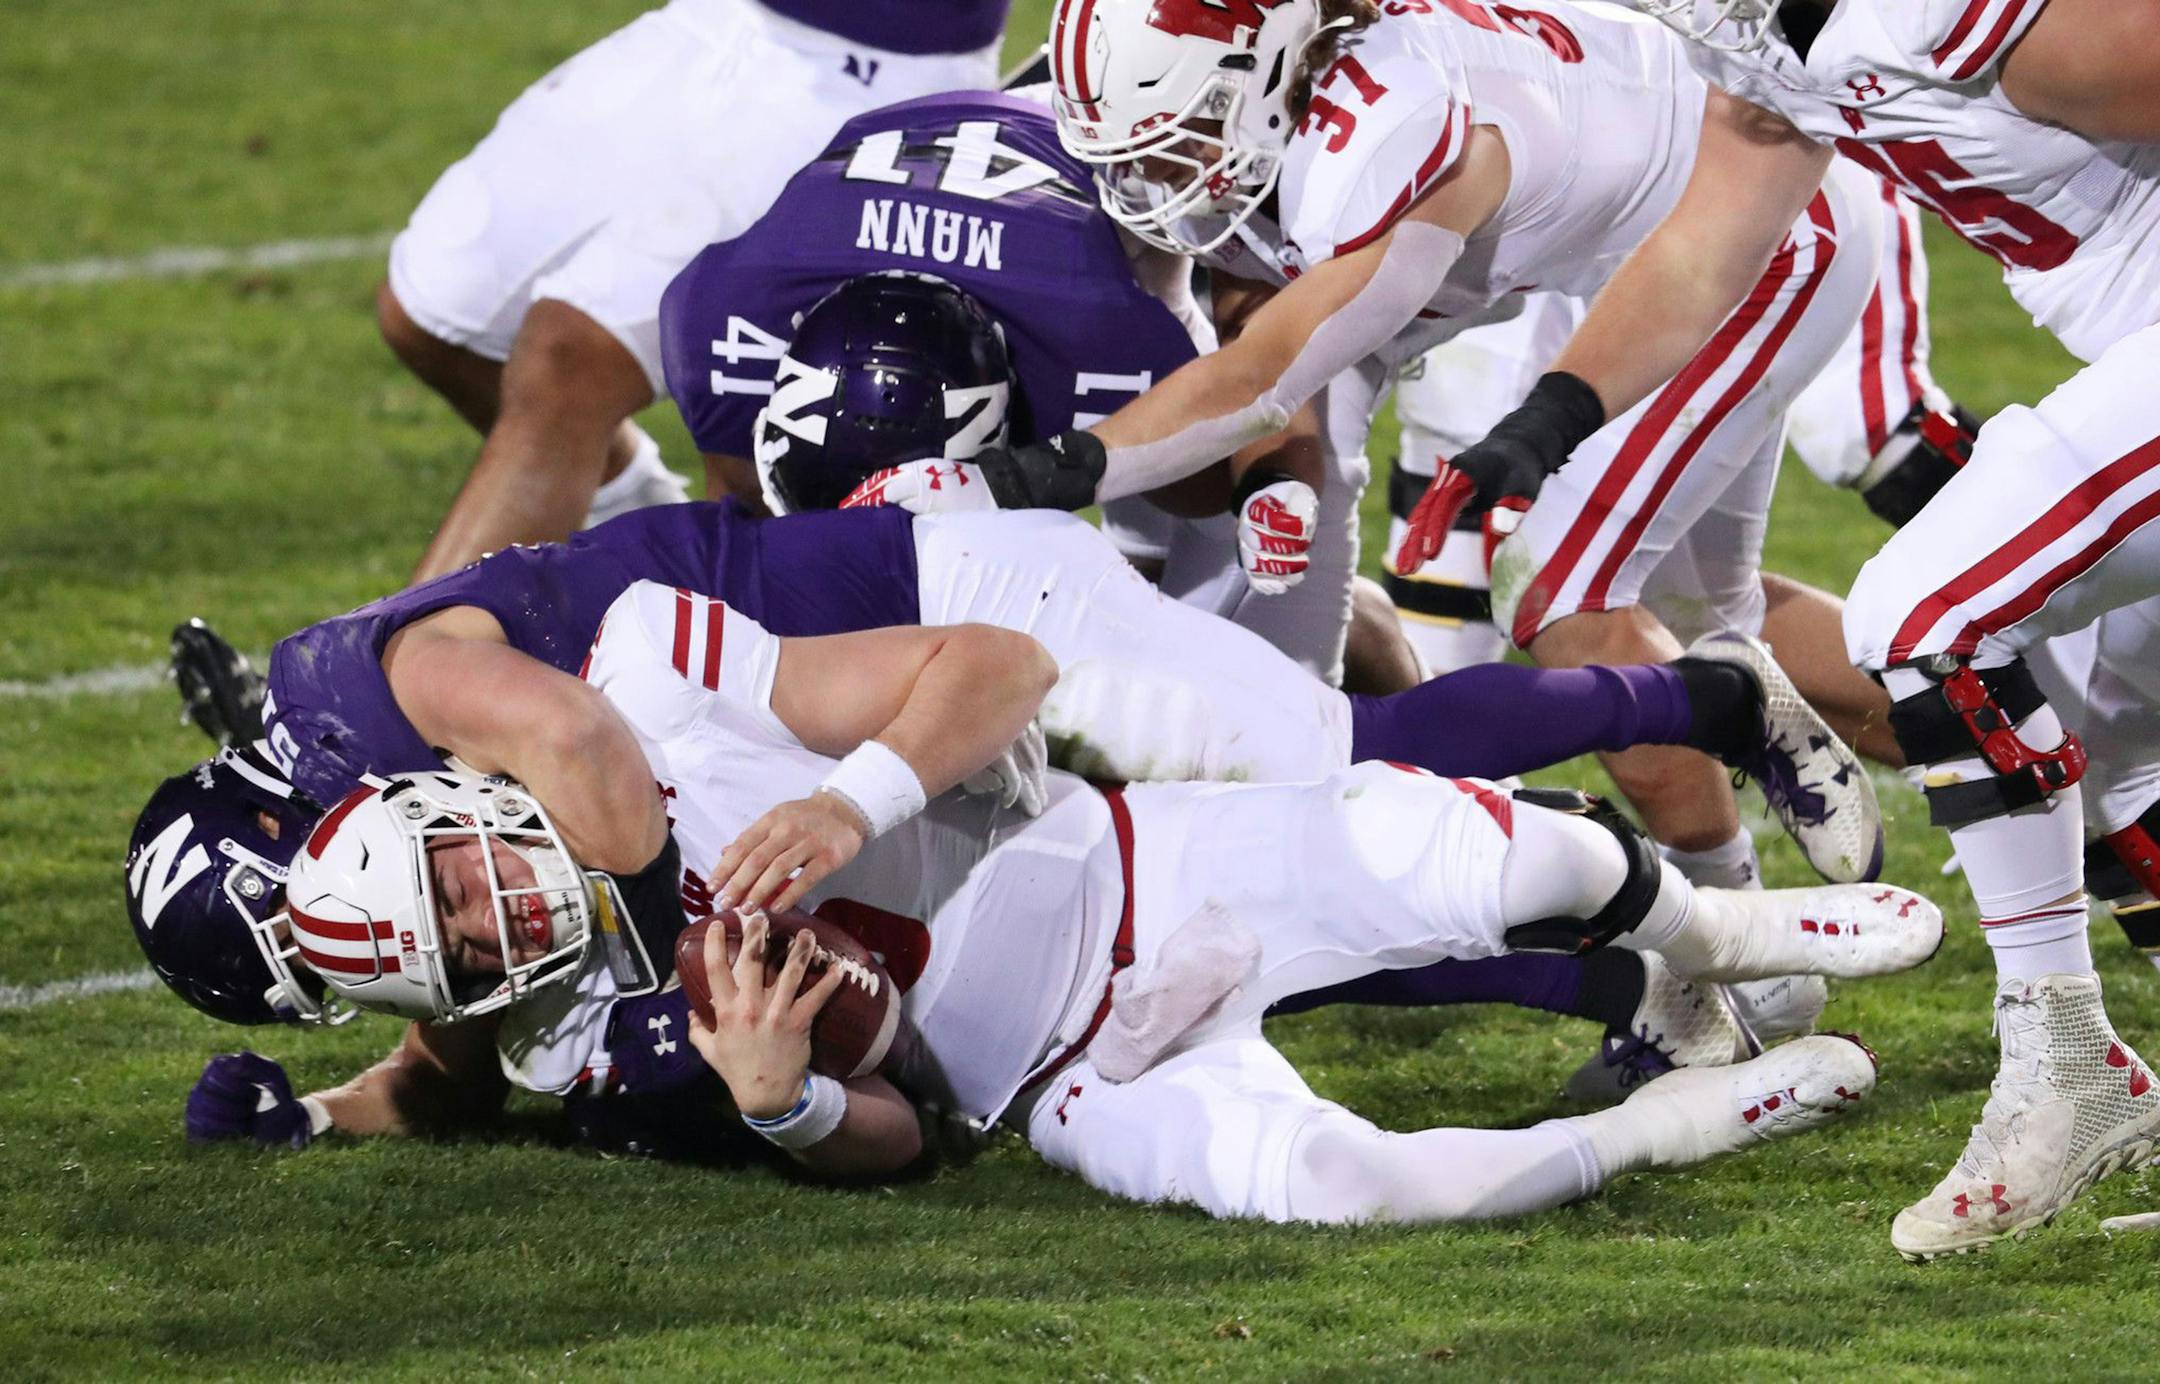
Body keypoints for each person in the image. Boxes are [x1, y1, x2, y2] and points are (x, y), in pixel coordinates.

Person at [192, 581, 1943, 1223]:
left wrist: (848, 790)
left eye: (458, 871)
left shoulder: (653, 666)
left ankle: (1716, 932)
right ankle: (1689, 1115)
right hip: (1070, 1083)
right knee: (1361, 1187)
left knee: (1498, 850)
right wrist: (784, 1099)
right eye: (472, 943)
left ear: (446, 793)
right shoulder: (580, 1042)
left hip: (1134, 855)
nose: (502, 907)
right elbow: (912, 1140)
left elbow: (999, 660)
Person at [1406, 0, 2160, 1258]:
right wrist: (1546, 420)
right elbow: (1711, 235)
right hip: (2125, 340)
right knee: (2111, 729)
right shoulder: (1777, 36)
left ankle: (2068, 1062)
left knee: (1930, 611)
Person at [853, 0, 1887, 884]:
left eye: (1180, 136)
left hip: (1759, 244)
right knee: (1703, 609)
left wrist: (1030, 474)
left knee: (1560, 590)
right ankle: (2002, 745)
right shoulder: (1314, 97)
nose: (1151, 175)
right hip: (1643, 250)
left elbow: (1266, 378)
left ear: (1262, 76)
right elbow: (1294, 359)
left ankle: (1741, 932)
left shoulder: (1382, 129)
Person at [378, 0, 1008, 584]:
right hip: (718, 22)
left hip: (885, 62)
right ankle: (638, 551)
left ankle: (379, 694)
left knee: (572, 360)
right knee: (434, 313)